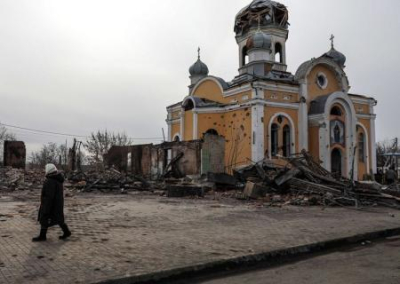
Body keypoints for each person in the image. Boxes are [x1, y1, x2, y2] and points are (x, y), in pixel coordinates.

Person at [32, 164, 71, 242]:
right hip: (57, 203)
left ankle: (42, 236)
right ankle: (66, 232)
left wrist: (46, 207)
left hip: (51, 204)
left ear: (48, 171)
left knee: (44, 218)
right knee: (59, 218)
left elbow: (49, 196)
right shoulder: (58, 179)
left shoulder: (50, 181)